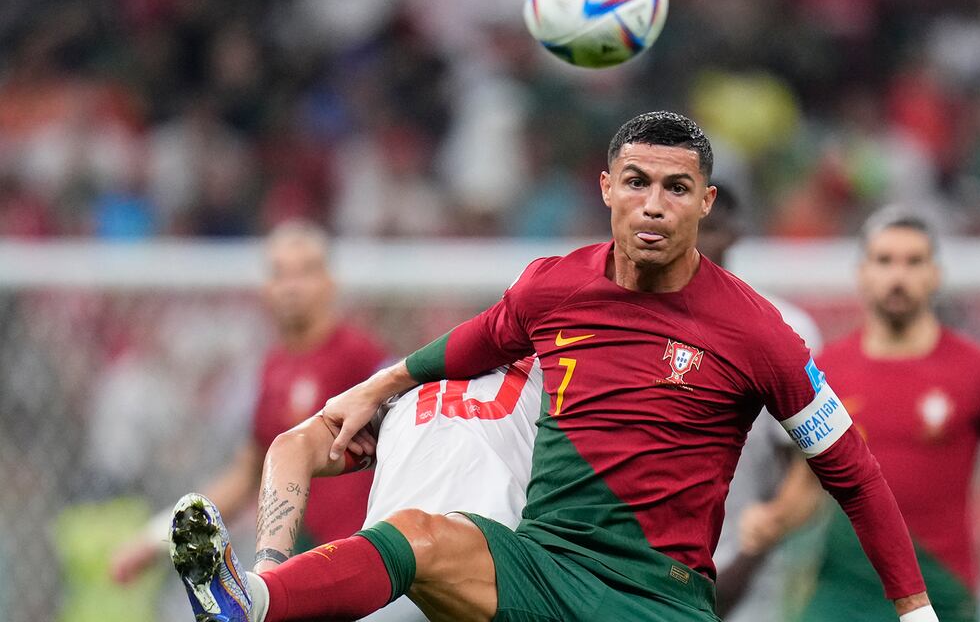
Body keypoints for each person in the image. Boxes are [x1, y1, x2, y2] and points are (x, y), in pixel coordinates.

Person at [167, 111, 937, 622]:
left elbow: (853, 472)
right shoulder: (554, 286)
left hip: (654, 598)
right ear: (607, 189)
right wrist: (378, 387)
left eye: (676, 188)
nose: (654, 204)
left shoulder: (759, 333)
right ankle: (252, 604)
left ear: (705, 202)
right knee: (419, 536)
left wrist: (916, 612)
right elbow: (472, 344)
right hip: (540, 566)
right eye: (636, 182)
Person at [738, 206, 980, 622]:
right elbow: (808, 485)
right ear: (863, 273)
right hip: (844, 586)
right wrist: (773, 520)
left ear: (935, 274)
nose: (898, 276)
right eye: (884, 261)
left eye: (913, 261)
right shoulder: (827, 369)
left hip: (941, 584)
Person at [112, 220, 385, 585]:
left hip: (361, 565)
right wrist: (157, 538)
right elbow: (249, 474)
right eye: (280, 273)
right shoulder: (273, 369)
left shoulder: (360, 357)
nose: (292, 286)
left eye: (306, 271)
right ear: (266, 288)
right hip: (303, 563)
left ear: (329, 283)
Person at [247, 360, 543, 621]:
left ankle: (257, 599)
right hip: (484, 576)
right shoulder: (563, 385)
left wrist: (268, 575)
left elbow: (293, 446)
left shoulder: (399, 385)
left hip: (375, 584)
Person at [697, 182, 825, 622]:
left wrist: (746, 563)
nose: (694, 240)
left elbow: (809, 467)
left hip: (748, 583)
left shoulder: (786, 328)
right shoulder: (634, 326)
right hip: (645, 580)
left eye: (708, 227)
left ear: (734, 232)